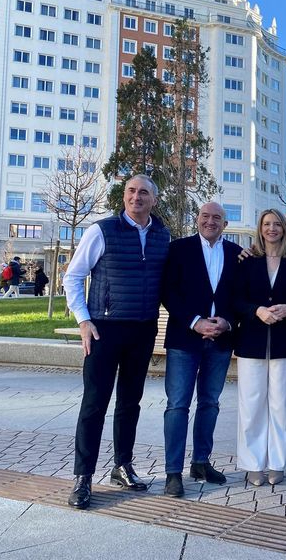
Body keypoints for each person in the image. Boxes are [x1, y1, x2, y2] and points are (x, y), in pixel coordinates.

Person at [63, 175, 170, 510]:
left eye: (143, 192)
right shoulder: (102, 230)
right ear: (124, 197)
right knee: (94, 404)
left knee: (129, 402)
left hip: (142, 329)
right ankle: (83, 477)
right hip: (104, 329)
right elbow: (73, 276)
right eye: (131, 191)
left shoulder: (162, 235)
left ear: (154, 200)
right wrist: (83, 320)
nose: (136, 197)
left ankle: (122, 466)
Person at [160, 202, 242, 498]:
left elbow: (241, 295)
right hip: (185, 339)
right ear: (197, 219)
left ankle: (201, 462)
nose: (210, 221)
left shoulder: (236, 254)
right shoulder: (178, 249)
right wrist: (195, 322)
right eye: (205, 216)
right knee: (177, 405)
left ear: (225, 224)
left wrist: (228, 322)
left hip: (220, 340)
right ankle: (173, 472)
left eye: (217, 217)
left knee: (210, 403)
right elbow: (168, 291)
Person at [234, 209, 286, 487]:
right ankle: (253, 464)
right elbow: (236, 300)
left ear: (284, 229)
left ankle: (278, 463)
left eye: (277, 224)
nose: (272, 228)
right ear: (260, 228)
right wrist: (257, 310)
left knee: (282, 406)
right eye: (267, 224)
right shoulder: (247, 259)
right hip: (251, 342)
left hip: (285, 342)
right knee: (251, 405)